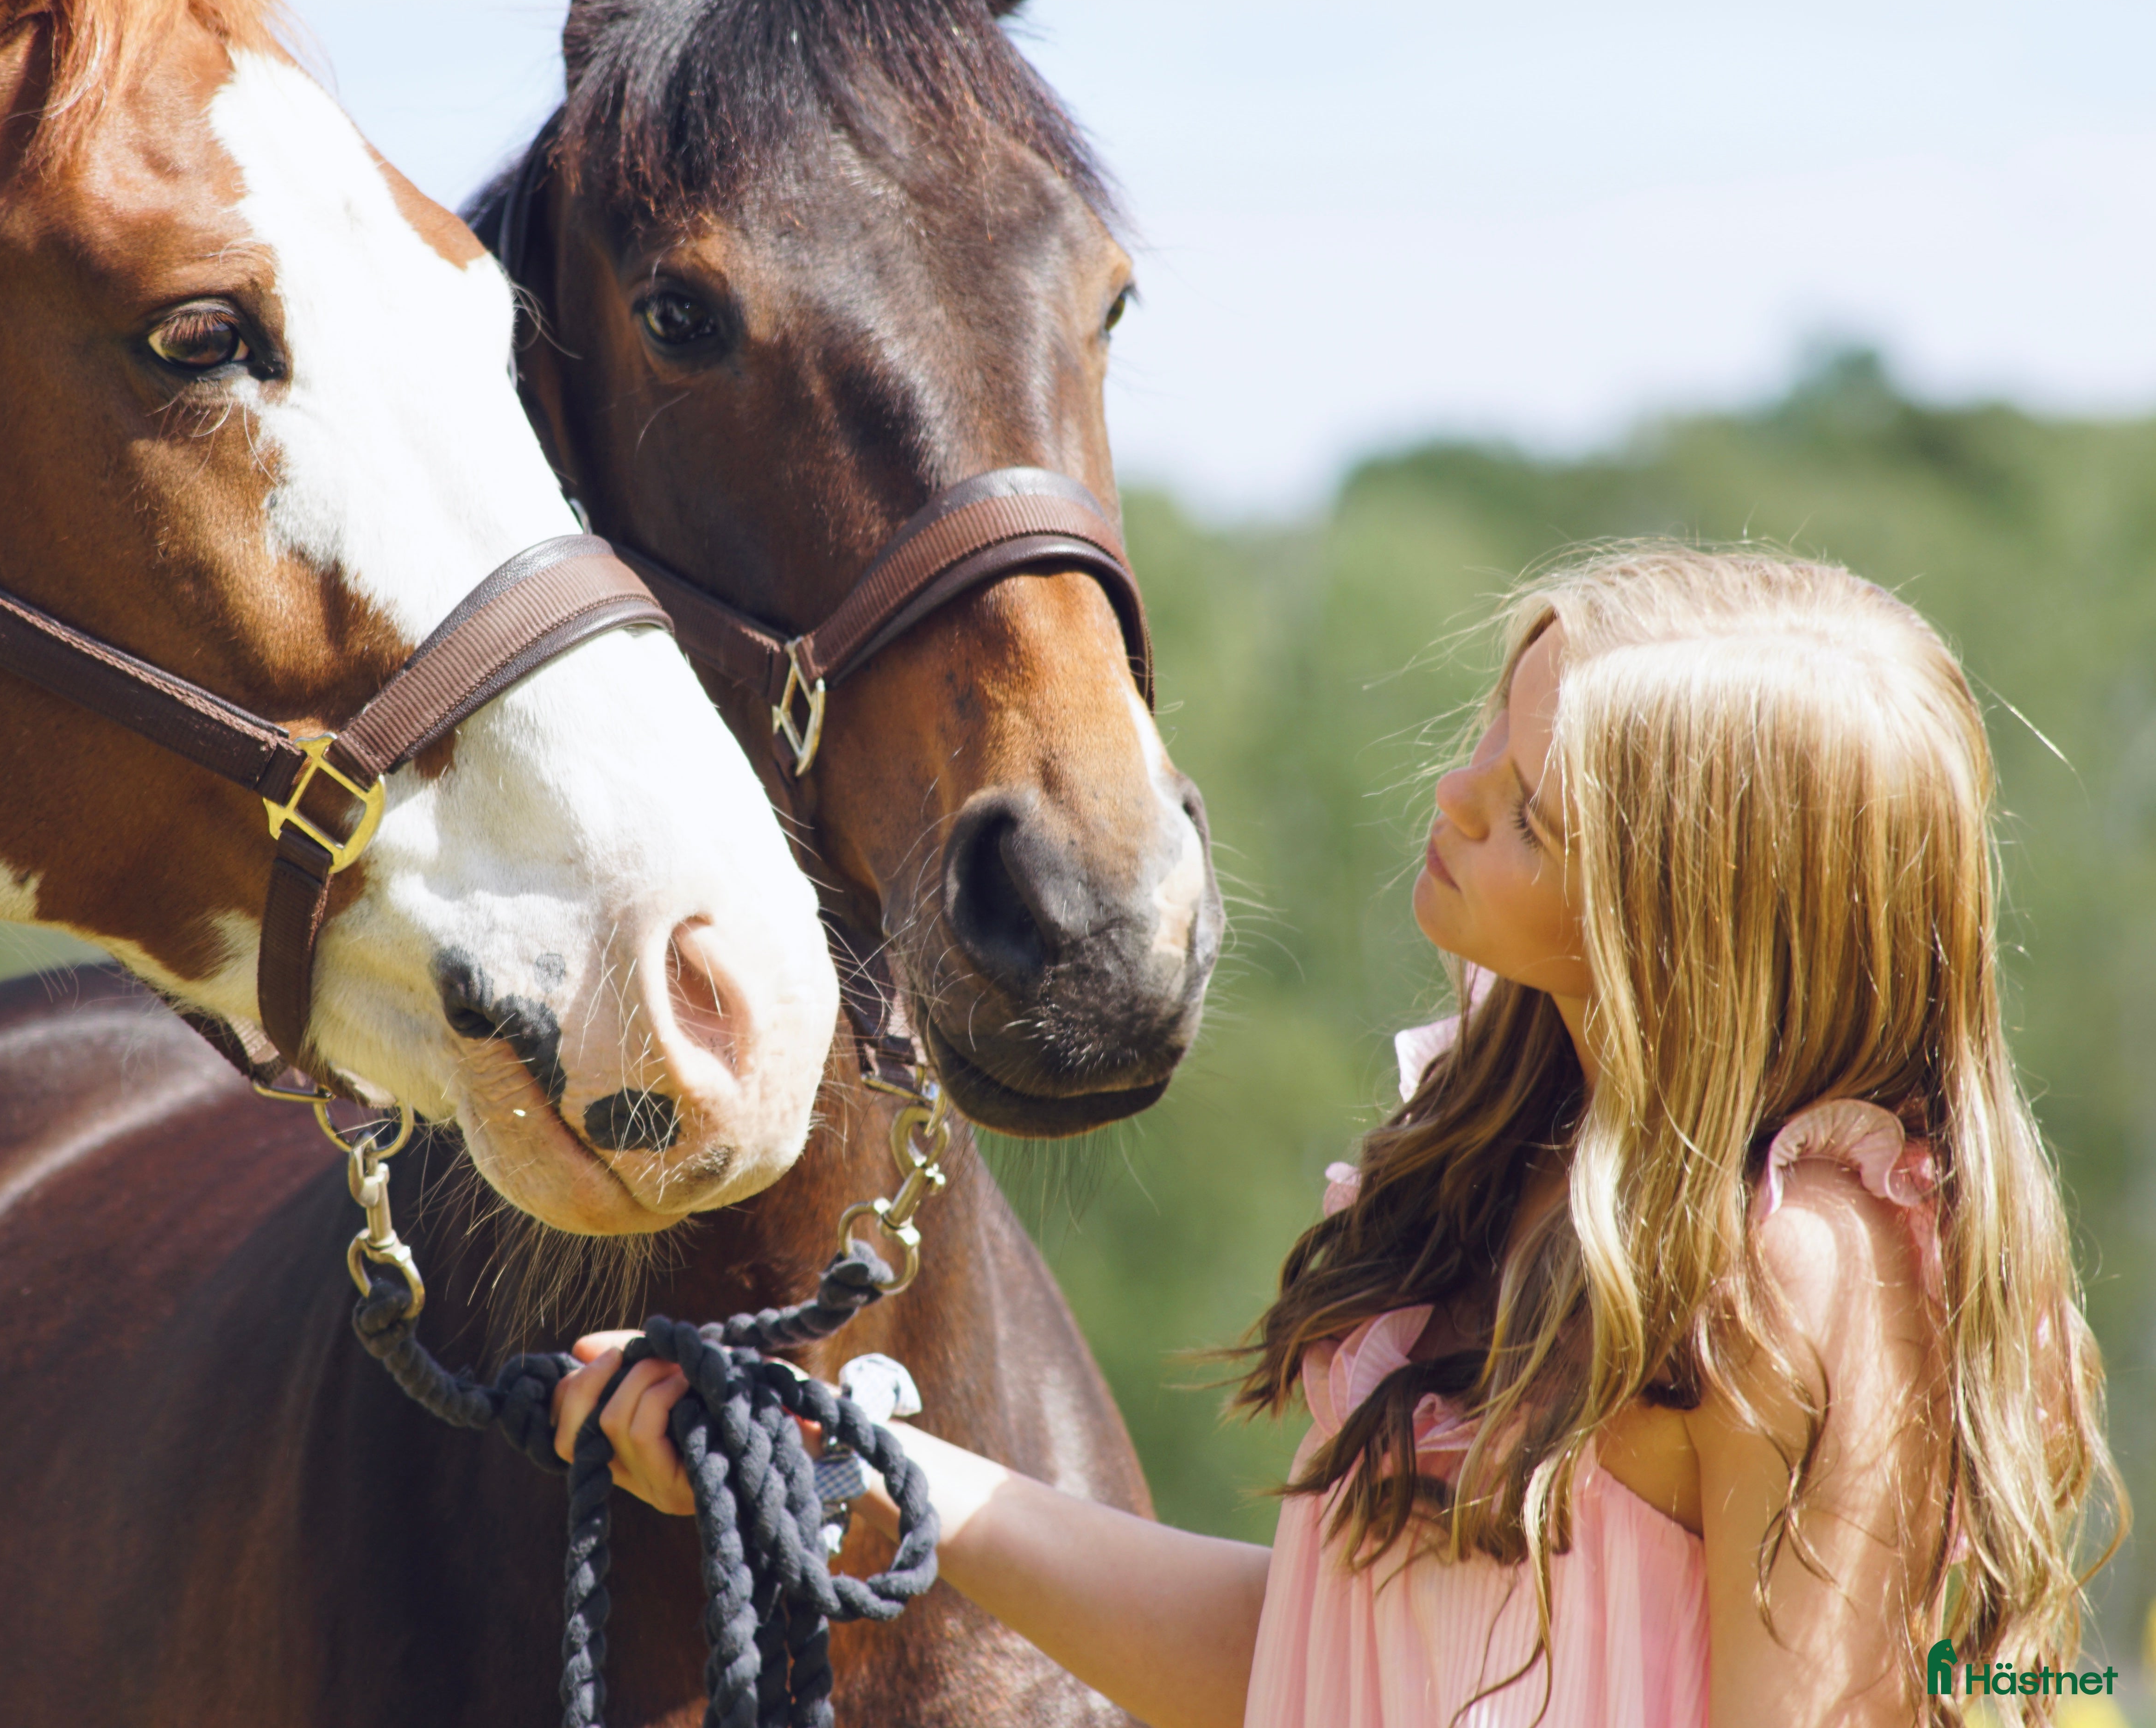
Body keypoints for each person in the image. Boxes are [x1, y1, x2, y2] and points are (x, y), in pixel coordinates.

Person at [553, 544, 2121, 1727]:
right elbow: (1314, 1665)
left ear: (1689, 923)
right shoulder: (1502, 1157)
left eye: (1531, 813)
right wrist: (863, 1463)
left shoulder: (1802, 1271)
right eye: (1492, 733)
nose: (1456, 794)